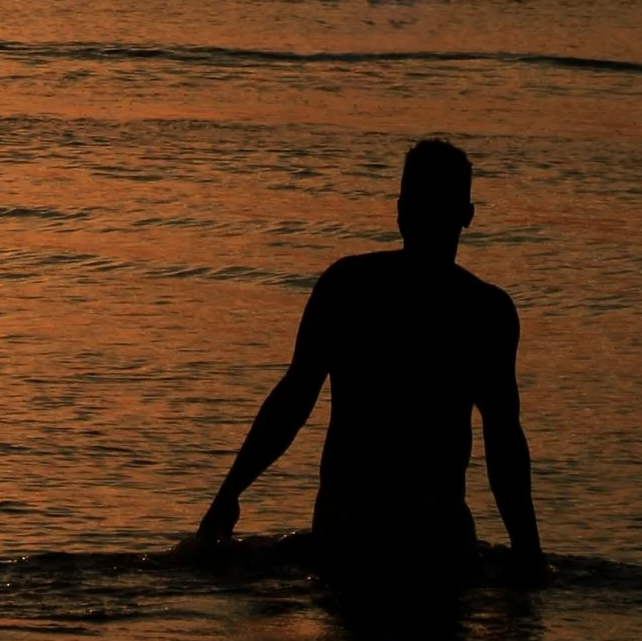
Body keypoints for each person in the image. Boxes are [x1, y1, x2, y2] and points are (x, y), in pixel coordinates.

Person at [194, 137, 546, 581]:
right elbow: (504, 440)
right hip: (437, 538)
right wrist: (529, 551)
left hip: (348, 528)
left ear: (400, 211)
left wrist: (228, 494)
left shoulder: (347, 286)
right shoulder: (485, 312)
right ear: (468, 216)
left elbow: (293, 400)